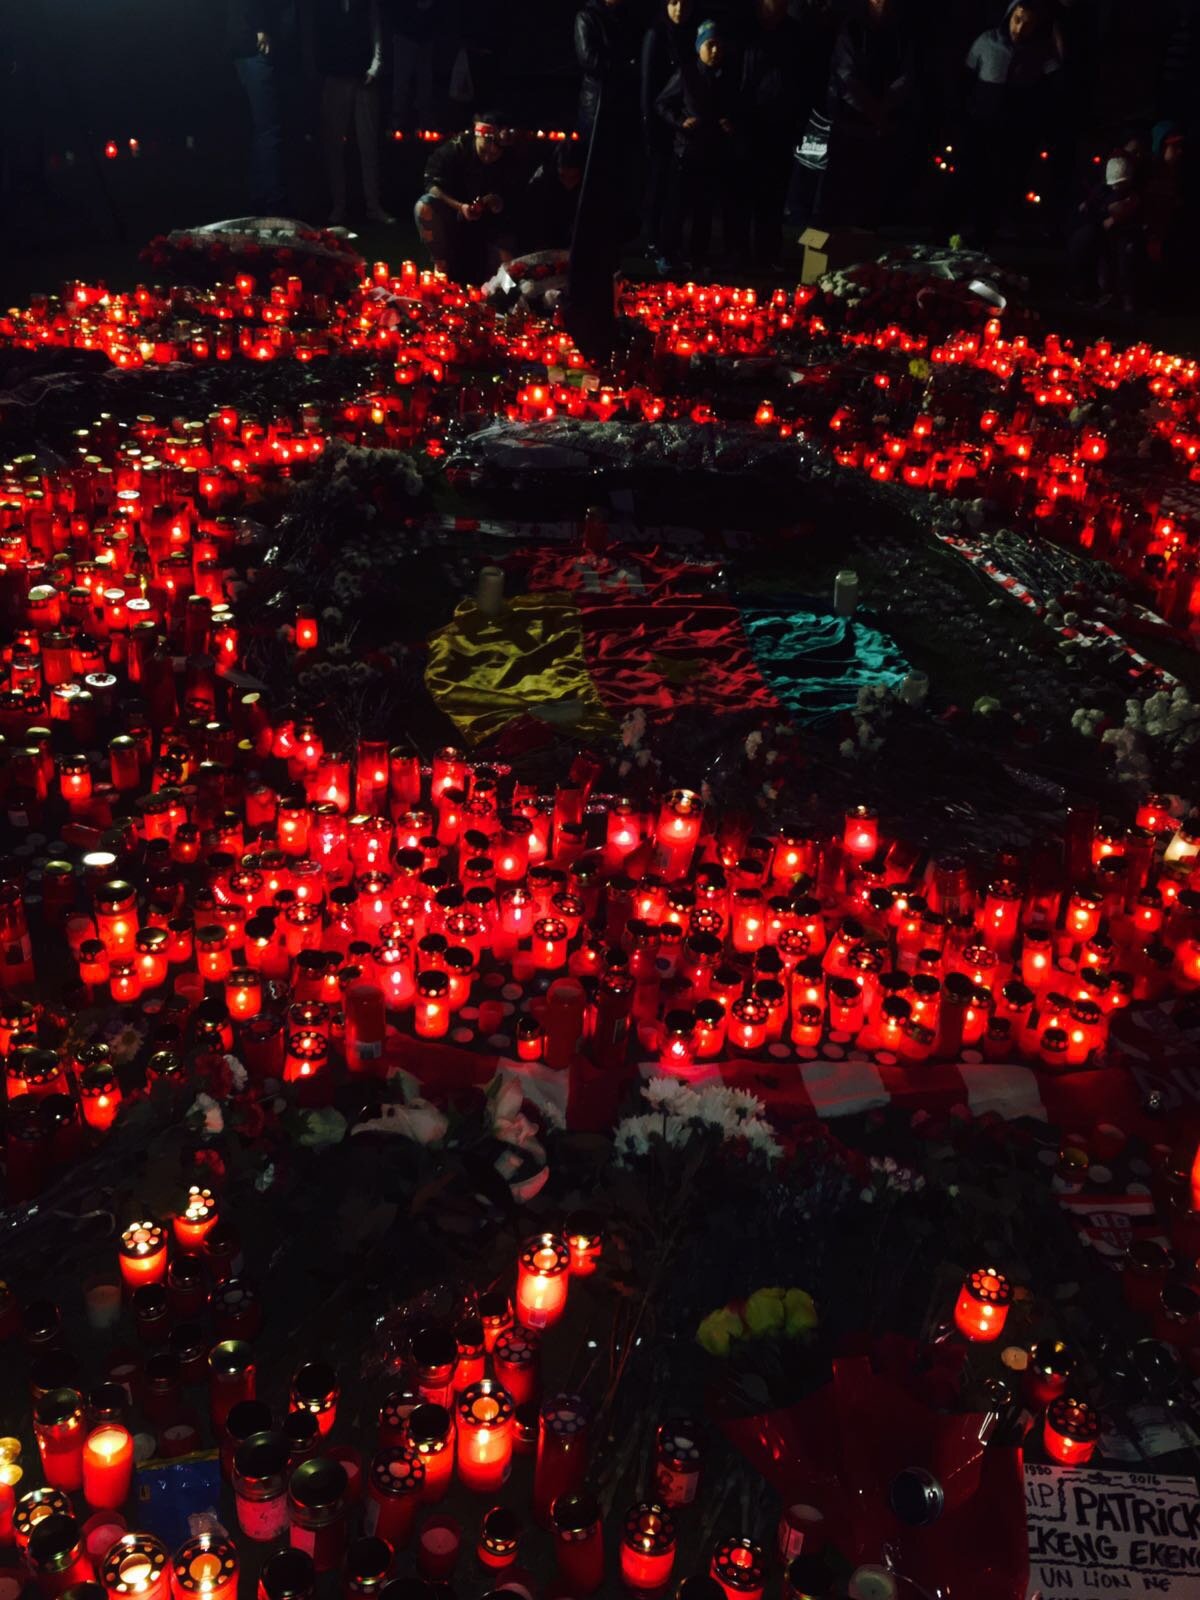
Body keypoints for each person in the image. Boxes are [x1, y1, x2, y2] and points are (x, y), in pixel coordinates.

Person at [961, 0, 1063, 242]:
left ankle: (995, 228)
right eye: (1017, 20)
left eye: (1027, 24)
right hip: (981, 124)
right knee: (976, 176)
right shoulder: (987, 41)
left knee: (1006, 178)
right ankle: (969, 225)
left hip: (1014, 129)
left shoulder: (1039, 50)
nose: (1020, 28)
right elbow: (967, 76)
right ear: (1009, 17)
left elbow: (1056, 77)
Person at [655, 19, 749, 273]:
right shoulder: (686, 74)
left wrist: (731, 123)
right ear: (699, 47)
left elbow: (737, 108)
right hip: (686, 151)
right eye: (710, 44)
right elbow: (662, 103)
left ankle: (698, 256)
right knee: (677, 206)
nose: (715, 50)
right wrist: (680, 122)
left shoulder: (728, 76)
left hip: (714, 153)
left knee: (704, 210)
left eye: (719, 45)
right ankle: (666, 254)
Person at [818, 0, 917, 228]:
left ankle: (864, 246)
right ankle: (825, 248)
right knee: (838, 188)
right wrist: (872, 109)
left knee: (871, 192)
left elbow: (906, 76)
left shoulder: (900, 31)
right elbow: (845, 76)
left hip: (882, 124)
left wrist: (884, 108)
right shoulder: (851, 28)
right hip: (850, 122)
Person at [414, 113, 521, 280]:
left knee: (508, 272)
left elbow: (514, 197)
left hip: (488, 229)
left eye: (493, 155)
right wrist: (459, 206)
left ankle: (504, 289)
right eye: (483, 151)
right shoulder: (455, 149)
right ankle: (441, 265)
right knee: (424, 207)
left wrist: (496, 202)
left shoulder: (510, 160)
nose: (487, 158)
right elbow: (431, 185)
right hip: (451, 216)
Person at [315, 0, 393, 225]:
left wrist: (375, 68)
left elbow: (376, 32)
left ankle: (373, 205)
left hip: (363, 78)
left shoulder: (366, 4)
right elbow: (318, 36)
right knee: (333, 145)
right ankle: (339, 205)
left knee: (368, 145)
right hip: (335, 76)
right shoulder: (325, 6)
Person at [743, 0, 807, 267]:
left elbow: (803, 80)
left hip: (782, 124)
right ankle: (742, 252)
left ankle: (769, 252)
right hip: (750, 122)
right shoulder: (746, 28)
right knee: (746, 192)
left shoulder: (794, 33)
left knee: (776, 193)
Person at [642, 0, 697, 268]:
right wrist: (649, 125)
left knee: (675, 187)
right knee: (657, 182)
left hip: (680, 122)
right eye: (673, 3)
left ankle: (670, 242)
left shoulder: (691, 34)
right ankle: (652, 240)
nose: (679, 10)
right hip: (661, 120)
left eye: (685, 4)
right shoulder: (656, 35)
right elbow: (648, 83)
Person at [228, 0, 294, 213]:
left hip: (248, 45)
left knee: (263, 129)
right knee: (268, 129)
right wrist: (259, 27)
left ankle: (263, 198)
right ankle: (273, 202)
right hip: (255, 47)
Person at [1067, 153, 1144, 308]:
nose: (1117, 188)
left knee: (1124, 263)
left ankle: (1126, 299)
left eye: (1121, 184)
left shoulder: (1132, 196)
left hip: (1124, 235)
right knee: (1101, 262)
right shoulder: (1102, 193)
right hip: (1102, 236)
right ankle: (1099, 292)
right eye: (1114, 184)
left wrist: (1118, 217)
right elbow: (1092, 210)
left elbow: (1134, 214)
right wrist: (1099, 212)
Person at [575, 0, 643, 145]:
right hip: (597, 104)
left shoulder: (627, 17)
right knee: (596, 157)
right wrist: (626, 67)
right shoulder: (586, 17)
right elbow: (590, 61)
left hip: (622, 103)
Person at [520, 143, 585, 252]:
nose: (568, 183)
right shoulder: (541, 183)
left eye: (573, 178)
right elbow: (530, 218)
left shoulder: (586, 184)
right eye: (563, 176)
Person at [389, 0, 436, 135]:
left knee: (424, 83)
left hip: (423, 35)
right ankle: (398, 122)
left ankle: (423, 122)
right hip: (407, 33)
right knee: (402, 82)